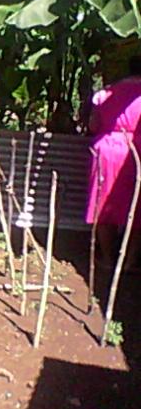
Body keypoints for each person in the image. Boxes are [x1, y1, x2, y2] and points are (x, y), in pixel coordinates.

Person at [86, 55, 141, 272]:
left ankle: (108, 258)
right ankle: (130, 261)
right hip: (137, 149)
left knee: (102, 202)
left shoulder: (106, 93)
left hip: (107, 149)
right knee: (137, 206)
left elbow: (93, 125)